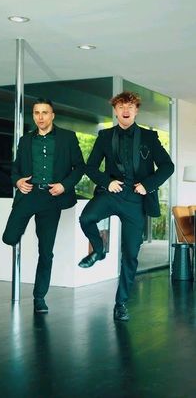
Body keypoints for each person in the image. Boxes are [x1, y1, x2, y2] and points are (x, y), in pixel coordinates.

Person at [78, 91, 174, 321]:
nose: (126, 110)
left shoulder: (150, 138)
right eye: (121, 106)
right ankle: (99, 250)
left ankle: (120, 303)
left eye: (130, 106)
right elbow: (90, 168)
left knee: (130, 254)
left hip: (135, 200)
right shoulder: (104, 136)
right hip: (113, 192)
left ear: (136, 110)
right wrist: (107, 182)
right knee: (86, 218)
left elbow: (167, 166)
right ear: (115, 110)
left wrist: (148, 185)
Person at [3, 98, 85, 313]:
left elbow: (79, 167)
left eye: (45, 112)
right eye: (37, 113)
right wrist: (18, 181)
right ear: (33, 116)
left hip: (52, 198)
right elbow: (15, 168)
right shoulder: (26, 140)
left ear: (52, 115)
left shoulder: (68, 137)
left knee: (46, 251)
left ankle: (39, 297)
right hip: (28, 195)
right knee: (9, 237)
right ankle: (14, 235)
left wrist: (64, 186)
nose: (40, 117)